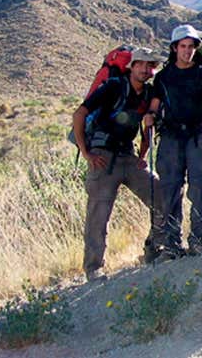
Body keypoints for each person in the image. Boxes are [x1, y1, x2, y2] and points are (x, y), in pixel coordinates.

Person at [72, 47, 164, 282]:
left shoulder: (149, 93)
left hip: (128, 156)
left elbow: (147, 127)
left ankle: (154, 249)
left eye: (149, 65)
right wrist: (86, 153)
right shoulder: (113, 86)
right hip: (102, 157)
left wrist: (142, 155)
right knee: (98, 215)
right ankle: (94, 268)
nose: (145, 69)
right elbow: (80, 113)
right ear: (131, 66)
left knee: (161, 196)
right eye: (140, 64)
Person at [145, 24, 202, 258]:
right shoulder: (164, 77)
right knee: (169, 190)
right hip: (170, 137)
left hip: (198, 134)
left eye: (191, 47)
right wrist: (150, 117)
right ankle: (171, 244)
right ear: (175, 48)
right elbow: (154, 107)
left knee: (201, 188)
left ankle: (198, 241)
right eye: (183, 46)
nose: (187, 51)